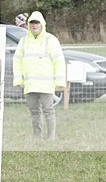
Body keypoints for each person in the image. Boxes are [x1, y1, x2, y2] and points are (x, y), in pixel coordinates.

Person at [12, 11, 67, 140]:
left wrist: (59, 82)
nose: (34, 25)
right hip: (29, 84)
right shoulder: (24, 41)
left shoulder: (51, 39)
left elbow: (59, 61)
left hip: (46, 84)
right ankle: (37, 136)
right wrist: (19, 79)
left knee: (48, 111)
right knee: (34, 111)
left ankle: (51, 137)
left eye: (37, 23)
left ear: (42, 24)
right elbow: (17, 60)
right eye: (32, 23)